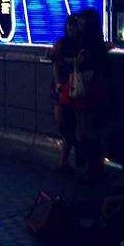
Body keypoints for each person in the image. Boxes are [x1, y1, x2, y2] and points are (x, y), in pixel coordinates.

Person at [68, 8, 109, 184]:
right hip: (94, 86)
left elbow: (80, 62)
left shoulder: (86, 43)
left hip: (87, 88)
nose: (79, 22)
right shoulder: (97, 42)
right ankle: (93, 168)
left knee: (86, 128)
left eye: (82, 19)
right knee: (89, 128)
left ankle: (92, 169)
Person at [49, 14, 80, 172]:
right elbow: (55, 63)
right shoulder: (62, 43)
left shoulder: (76, 44)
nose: (71, 28)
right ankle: (68, 160)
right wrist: (58, 83)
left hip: (72, 87)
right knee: (64, 124)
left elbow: (55, 61)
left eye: (73, 25)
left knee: (70, 125)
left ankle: (65, 161)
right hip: (64, 86)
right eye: (69, 25)